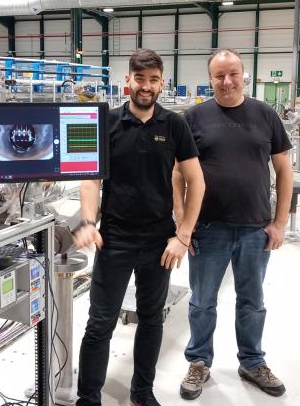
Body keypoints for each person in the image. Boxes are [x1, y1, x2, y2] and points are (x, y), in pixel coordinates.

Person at [74, 48, 205, 406]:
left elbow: (197, 181)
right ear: (127, 80)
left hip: (158, 243)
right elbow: (90, 179)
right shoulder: (106, 122)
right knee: (100, 323)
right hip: (114, 241)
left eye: (153, 80)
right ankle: (88, 398)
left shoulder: (174, 124)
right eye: (139, 78)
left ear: (161, 83)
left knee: (151, 320)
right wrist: (89, 220)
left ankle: (142, 392)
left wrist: (183, 235)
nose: (146, 86)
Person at [173, 48, 293, 400]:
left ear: (244, 75)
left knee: (252, 301)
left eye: (232, 74)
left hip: (256, 229)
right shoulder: (193, 119)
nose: (226, 82)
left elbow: (285, 170)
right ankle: (198, 362)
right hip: (207, 229)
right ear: (210, 78)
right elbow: (177, 174)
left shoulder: (265, 114)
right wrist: (183, 224)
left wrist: (280, 222)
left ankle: (253, 362)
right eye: (219, 76)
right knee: (202, 302)